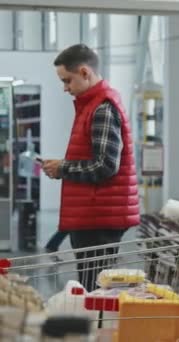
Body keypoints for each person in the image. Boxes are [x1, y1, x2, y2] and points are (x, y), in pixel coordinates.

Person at [41, 44, 140, 291]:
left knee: (95, 289)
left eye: (67, 80)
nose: (65, 88)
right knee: (93, 286)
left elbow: (105, 165)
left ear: (85, 72)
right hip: (94, 214)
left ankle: (94, 328)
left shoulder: (102, 108)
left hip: (99, 218)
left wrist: (63, 168)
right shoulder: (90, 105)